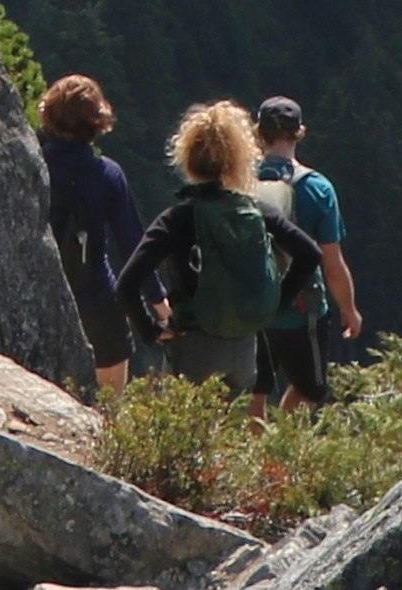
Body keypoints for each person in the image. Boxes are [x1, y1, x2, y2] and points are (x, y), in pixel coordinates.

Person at [114, 100, 290, 385]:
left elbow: (127, 285)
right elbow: (309, 253)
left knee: (189, 427)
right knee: (230, 426)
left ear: (188, 157)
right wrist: (275, 304)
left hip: (193, 344)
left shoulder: (177, 218)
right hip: (244, 346)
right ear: (238, 159)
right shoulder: (253, 210)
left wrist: (151, 330)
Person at [34, 74, 145, 397]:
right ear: (98, 122)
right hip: (98, 301)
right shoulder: (108, 174)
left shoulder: (30, 162)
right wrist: (157, 302)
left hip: (41, 300)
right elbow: (132, 242)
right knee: (108, 409)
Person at [248, 94, 362, 407]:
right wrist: (349, 309)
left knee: (256, 389)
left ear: (259, 134)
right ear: (299, 133)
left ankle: (258, 454)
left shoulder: (240, 183)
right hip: (303, 311)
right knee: (310, 390)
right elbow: (332, 263)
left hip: (251, 307)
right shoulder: (317, 188)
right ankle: (284, 449)